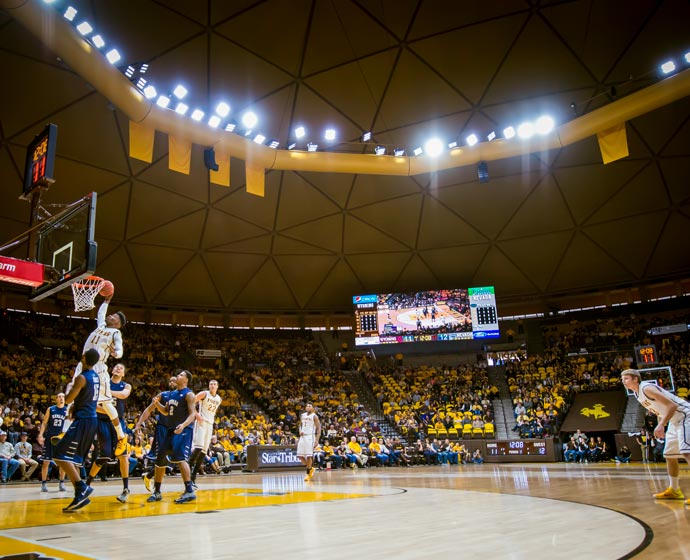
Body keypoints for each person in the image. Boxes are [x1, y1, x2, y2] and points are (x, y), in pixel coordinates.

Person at [68, 293, 127, 457]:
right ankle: (64, 431)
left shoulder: (115, 333)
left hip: (99, 368)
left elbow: (120, 348)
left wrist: (117, 354)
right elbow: (101, 314)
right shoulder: (101, 326)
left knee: (107, 403)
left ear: (118, 324)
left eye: (114, 316)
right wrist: (106, 300)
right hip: (82, 365)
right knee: (72, 394)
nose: (110, 315)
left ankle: (121, 436)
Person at [621, 369, 690, 505]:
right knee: (669, 455)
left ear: (635, 379)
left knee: (687, 452)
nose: (623, 381)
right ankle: (674, 490)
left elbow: (672, 405)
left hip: (684, 416)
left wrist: (661, 424)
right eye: (622, 379)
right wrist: (661, 425)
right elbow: (660, 410)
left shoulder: (647, 388)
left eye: (626, 378)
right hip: (673, 420)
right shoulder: (637, 393)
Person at [53, 348, 101, 512]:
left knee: (59, 454)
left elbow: (67, 399)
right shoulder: (96, 377)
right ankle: (79, 492)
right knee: (71, 458)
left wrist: (69, 390)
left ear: (83, 358)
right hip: (91, 419)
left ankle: (81, 487)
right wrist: (75, 404)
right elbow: (84, 397)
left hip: (84, 421)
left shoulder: (81, 377)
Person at [147, 370, 197, 504]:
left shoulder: (189, 394)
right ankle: (157, 492)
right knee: (160, 460)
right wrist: (156, 403)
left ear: (186, 380)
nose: (177, 376)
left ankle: (189, 491)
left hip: (184, 429)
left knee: (181, 459)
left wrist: (183, 425)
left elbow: (193, 414)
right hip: (170, 429)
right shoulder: (171, 394)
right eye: (178, 374)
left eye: (181, 375)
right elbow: (165, 411)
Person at [84, 363, 133, 503]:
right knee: (104, 454)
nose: (118, 368)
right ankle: (86, 485)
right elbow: (94, 405)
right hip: (103, 421)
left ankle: (125, 488)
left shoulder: (125, 385)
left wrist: (107, 394)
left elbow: (124, 395)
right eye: (116, 366)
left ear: (123, 374)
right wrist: (109, 410)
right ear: (111, 370)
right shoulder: (102, 382)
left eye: (121, 368)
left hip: (119, 422)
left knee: (123, 455)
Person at [134, 376, 177, 492]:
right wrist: (139, 424)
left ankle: (148, 476)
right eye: (170, 381)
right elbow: (148, 410)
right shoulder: (163, 395)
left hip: (175, 430)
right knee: (163, 460)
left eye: (174, 380)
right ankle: (156, 487)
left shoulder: (183, 396)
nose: (172, 382)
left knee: (171, 462)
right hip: (163, 429)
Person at [189, 379, 222, 485]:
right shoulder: (204, 394)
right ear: (209, 386)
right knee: (198, 448)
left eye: (214, 384)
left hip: (210, 424)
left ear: (217, 386)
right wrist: (196, 414)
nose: (212, 385)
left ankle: (193, 477)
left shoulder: (219, 399)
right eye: (211, 384)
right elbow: (190, 402)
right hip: (201, 422)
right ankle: (187, 469)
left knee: (204, 452)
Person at [37, 392, 68, 492]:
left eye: (63, 397)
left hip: (62, 439)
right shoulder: (51, 409)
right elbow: (44, 423)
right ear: (56, 399)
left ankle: (62, 482)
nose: (61, 398)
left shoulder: (67, 410)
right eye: (59, 397)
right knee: (46, 461)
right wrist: (41, 435)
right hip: (50, 438)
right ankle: (44, 483)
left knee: (63, 462)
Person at [297, 402, 321, 481]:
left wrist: (317, 440)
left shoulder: (314, 416)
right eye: (307, 406)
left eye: (309, 406)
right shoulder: (302, 415)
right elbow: (300, 425)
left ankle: (308, 473)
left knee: (309, 456)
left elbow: (318, 428)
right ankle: (311, 468)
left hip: (310, 437)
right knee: (299, 456)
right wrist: (300, 431)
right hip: (302, 436)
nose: (308, 407)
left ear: (312, 408)